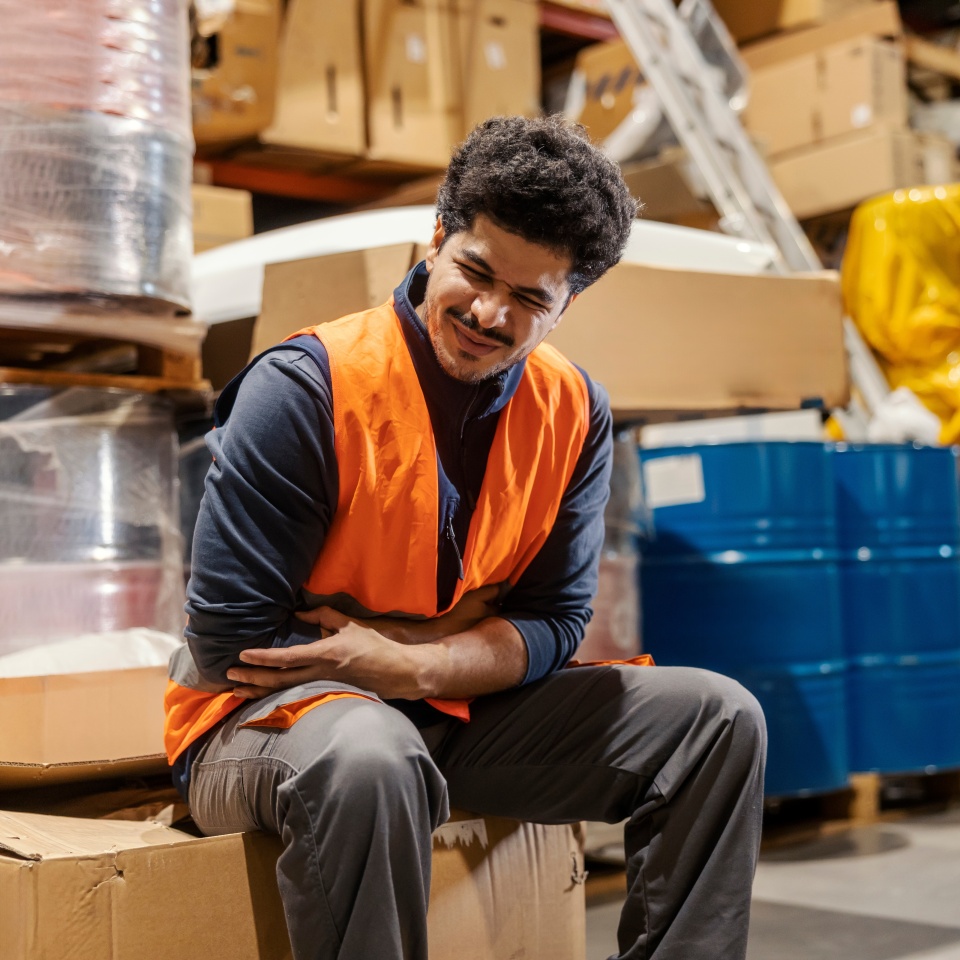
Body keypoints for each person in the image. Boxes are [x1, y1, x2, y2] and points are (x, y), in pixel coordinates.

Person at [164, 115, 766, 960]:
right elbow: (231, 641)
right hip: (260, 726)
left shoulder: (571, 411)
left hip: (448, 711)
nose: (489, 312)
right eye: (476, 272)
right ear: (438, 237)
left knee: (718, 719)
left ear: (568, 304)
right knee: (372, 757)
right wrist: (430, 657)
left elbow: (556, 622)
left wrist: (410, 662)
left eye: (529, 299)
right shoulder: (308, 389)